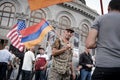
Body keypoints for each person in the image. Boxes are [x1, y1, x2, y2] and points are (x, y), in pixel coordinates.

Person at [85, 0, 120, 80]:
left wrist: (101, 42)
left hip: (103, 67)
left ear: (108, 8)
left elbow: (89, 44)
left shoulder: (100, 19)